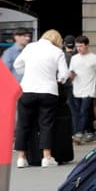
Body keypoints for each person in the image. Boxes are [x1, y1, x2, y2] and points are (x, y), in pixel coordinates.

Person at [12, 29, 68, 168]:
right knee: (46, 125)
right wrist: (58, 79)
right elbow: (64, 74)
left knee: (23, 125)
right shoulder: (57, 52)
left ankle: (21, 158)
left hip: (27, 90)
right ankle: (46, 157)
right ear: (57, 40)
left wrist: (29, 72)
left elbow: (17, 65)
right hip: (48, 92)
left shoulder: (30, 47)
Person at [68, 35, 96, 144]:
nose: (79, 48)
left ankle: (79, 133)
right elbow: (72, 72)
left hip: (89, 90)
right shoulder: (74, 58)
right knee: (83, 113)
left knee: (84, 111)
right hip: (77, 89)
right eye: (77, 46)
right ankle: (91, 131)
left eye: (81, 46)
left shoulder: (94, 57)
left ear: (87, 45)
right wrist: (70, 76)